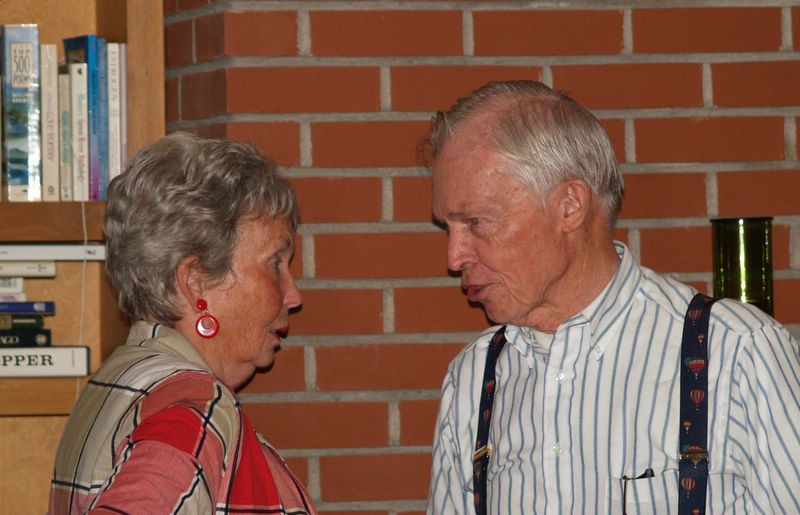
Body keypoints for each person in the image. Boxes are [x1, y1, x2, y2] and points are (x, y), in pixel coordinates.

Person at [426, 81, 800, 514]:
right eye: (449, 227)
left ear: (570, 206)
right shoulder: (473, 378)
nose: (454, 256)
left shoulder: (736, 352)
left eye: (476, 221)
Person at [49, 132, 316, 514]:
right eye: (275, 264)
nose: (293, 295)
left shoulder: (122, 381)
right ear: (195, 283)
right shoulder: (192, 409)